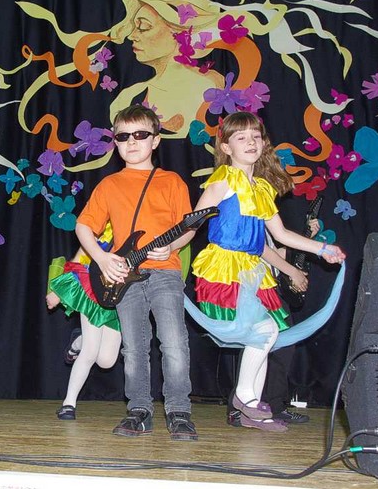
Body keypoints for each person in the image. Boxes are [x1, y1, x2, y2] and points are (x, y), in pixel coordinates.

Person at [188, 111, 345, 432]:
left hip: (252, 269)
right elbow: (192, 223)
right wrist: (168, 249)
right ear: (226, 147)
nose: (251, 143)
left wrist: (322, 249)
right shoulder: (222, 181)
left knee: (266, 335)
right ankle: (245, 398)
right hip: (224, 267)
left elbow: (281, 235)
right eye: (241, 137)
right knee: (265, 331)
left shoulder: (261, 188)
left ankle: (253, 409)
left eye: (256, 137)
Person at [75, 103, 197, 440]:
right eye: (123, 136)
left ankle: (179, 411)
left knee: (173, 342)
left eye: (141, 135)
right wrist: (102, 259)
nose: (131, 141)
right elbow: (83, 226)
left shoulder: (172, 182)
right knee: (133, 347)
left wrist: (171, 247)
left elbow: (188, 228)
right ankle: (139, 409)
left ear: (155, 140)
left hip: (165, 272)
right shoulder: (109, 184)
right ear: (115, 142)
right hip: (123, 279)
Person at [227, 218, 321, 426]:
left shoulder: (263, 220)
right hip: (254, 285)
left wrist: (306, 239)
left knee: (281, 345)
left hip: (267, 286)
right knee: (260, 342)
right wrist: (293, 271)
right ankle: (241, 408)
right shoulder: (249, 214)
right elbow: (260, 251)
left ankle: (270, 406)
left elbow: (275, 253)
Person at [45, 224, 122, 421]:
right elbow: (79, 258)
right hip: (93, 291)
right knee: (90, 351)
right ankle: (68, 404)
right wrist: (58, 292)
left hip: (119, 299)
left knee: (106, 361)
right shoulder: (105, 229)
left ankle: (78, 340)